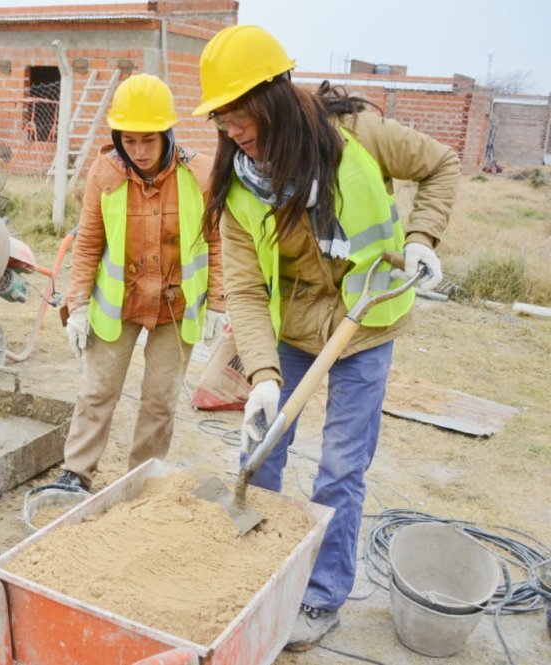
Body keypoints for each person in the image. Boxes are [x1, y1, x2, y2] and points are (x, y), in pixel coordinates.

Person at [193, 25, 459, 651]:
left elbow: (441, 166)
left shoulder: (357, 134)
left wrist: (420, 239)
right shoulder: (237, 188)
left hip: (367, 324)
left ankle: (321, 594)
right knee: (264, 445)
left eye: (239, 111)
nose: (231, 128)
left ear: (275, 94)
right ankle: (256, 567)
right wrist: (261, 377)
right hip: (290, 328)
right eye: (221, 117)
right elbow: (249, 291)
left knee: (342, 466)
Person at [55, 73, 226, 492]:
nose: (139, 151)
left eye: (149, 140)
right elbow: (88, 242)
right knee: (96, 393)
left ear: (168, 133)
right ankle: (76, 473)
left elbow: (218, 241)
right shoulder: (104, 175)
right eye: (128, 141)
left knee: (160, 400)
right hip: (120, 303)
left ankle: (139, 481)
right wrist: (76, 304)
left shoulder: (200, 176)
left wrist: (219, 303)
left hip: (175, 305)